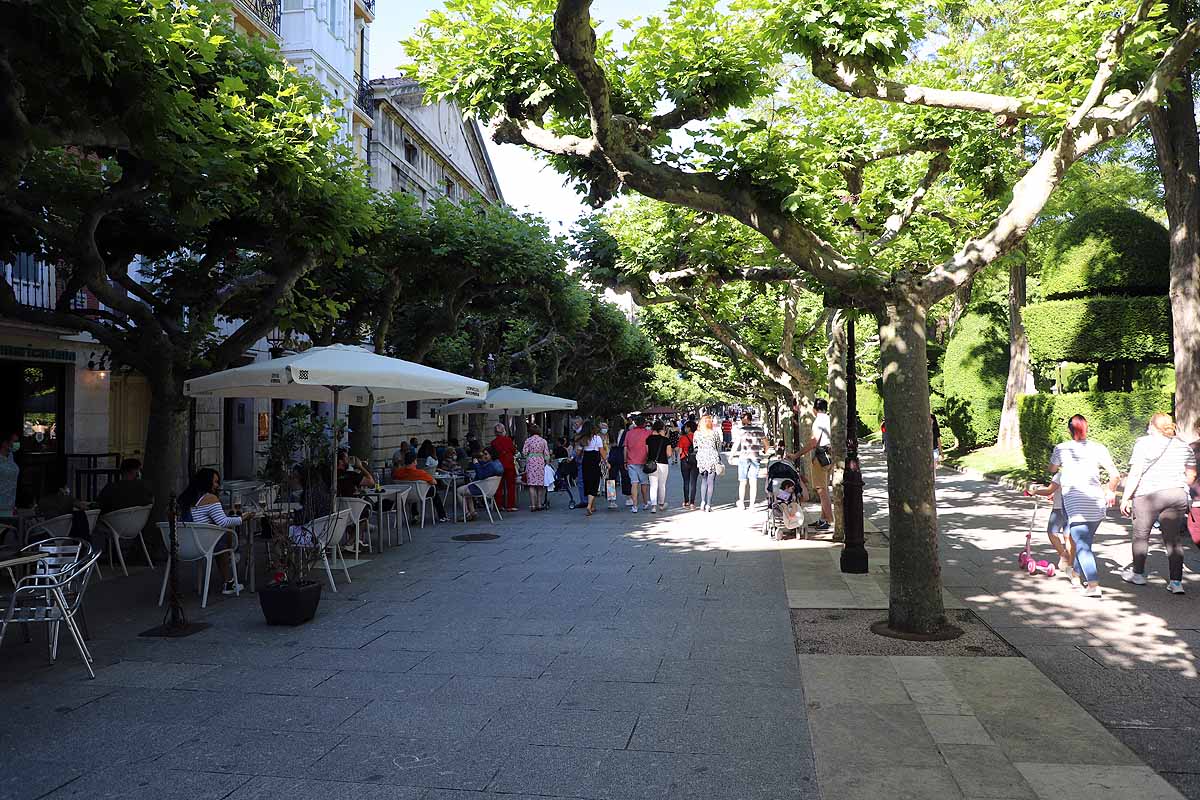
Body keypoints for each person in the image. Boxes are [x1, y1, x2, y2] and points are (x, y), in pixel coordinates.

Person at [1119, 413, 1197, 594]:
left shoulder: (1143, 443)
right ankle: (1176, 582)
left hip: (1148, 495)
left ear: (1152, 426)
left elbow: (1136, 472)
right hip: (1176, 494)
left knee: (1141, 535)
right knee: (1173, 539)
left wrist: (1125, 498)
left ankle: (1138, 574)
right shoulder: (1183, 446)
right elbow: (1191, 476)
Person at [1050, 414, 1121, 598]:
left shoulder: (1062, 448)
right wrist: (1110, 491)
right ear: (1086, 428)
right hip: (1096, 501)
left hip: (1075, 501)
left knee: (1081, 545)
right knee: (1085, 541)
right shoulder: (1099, 448)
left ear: (1069, 430)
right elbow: (1115, 475)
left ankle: (1093, 584)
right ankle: (1077, 573)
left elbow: (1052, 469)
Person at [179, 468, 250, 596]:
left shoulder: (185, 498)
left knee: (220, 536)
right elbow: (223, 522)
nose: (218, 486)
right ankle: (233, 557)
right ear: (207, 482)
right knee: (225, 533)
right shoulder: (210, 498)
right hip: (203, 545)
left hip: (183, 545)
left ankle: (230, 571)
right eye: (216, 482)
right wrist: (242, 518)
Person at [795, 399, 834, 531]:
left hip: (820, 457)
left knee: (821, 490)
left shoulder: (818, 421)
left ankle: (828, 519)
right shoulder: (829, 419)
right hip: (830, 457)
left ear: (814, 409)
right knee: (824, 489)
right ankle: (823, 519)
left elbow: (814, 442)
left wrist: (797, 455)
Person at [1029, 474, 1072, 574]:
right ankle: (1070, 563)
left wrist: (1035, 491)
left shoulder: (1060, 475)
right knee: (1068, 536)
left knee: (1052, 532)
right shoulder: (1077, 474)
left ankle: (1063, 555)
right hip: (1074, 508)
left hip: (1060, 508)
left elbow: (1049, 490)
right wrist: (1055, 493)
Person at [391, 451, 448, 522]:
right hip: (419, 494)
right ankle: (442, 516)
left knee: (412, 488)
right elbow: (434, 482)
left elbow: (394, 478)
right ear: (415, 461)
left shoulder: (398, 473)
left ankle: (415, 515)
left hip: (404, 495)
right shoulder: (420, 473)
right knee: (434, 491)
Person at [731, 411, 769, 511]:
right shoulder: (758, 429)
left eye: (742, 418)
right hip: (755, 457)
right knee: (753, 481)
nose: (741, 419)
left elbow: (736, 444)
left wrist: (731, 456)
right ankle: (752, 505)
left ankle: (742, 502)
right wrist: (765, 450)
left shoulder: (741, 430)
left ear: (746, 418)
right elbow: (766, 443)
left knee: (743, 481)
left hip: (743, 458)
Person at [458, 446, 504, 521]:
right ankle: (473, 512)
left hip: (482, 488)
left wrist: (476, 464)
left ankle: (466, 513)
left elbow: (481, 475)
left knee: (459, 491)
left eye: (486, 454)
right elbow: (486, 470)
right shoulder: (498, 463)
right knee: (467, 490)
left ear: (491, 455)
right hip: (490, 489)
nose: (484, 456)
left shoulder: (491, 465)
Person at [622, 416, 652, 513]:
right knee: (644, 483)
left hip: (631, 461)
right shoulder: (648, 433)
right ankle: (645, 502)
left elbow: (625, 448)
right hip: (644, 461)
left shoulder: (629, 433)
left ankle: (634, 506)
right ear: (644, 424)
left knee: (634, 484)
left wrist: (625, 461)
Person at [694, 415, 723, 512]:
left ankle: (702, 502)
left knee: (703, 480)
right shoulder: (714, 433)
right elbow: (718, 445)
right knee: (711, 482)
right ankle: (708, 504)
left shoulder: (697, 434)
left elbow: (695, 446)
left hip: (701, 458)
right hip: (712, 458)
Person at [643, 420, 673, 513]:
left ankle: (653, 507)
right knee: (662, 485)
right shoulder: (665, 440)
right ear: (662, 429)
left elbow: (647, 452)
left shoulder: (648, 439)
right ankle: (661, 504)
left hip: (652, 464)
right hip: (663, 464)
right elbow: (669, 454)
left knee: (653, 485)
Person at [577, 421, 607, 516]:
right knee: (594, 482)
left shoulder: (582, 439)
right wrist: (606, 461)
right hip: (595, 461)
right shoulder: (597, 438)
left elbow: (578, 452)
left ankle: (592, 506)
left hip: (586, 461)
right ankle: (589, 505)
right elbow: (602, 451)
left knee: (588, 482)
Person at [522, 423, 552, 512]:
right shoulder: (543, 441)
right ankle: (539, 504)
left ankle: (533, 505)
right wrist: (547, 463)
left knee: (532, 485)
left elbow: (524, 452)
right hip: (540, 461)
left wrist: (529, 455)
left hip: (531, 461)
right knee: (540, 485)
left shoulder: (528, 440)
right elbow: (546, 454)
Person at [489, 423, 519, 513]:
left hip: (498, 465)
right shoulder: (508, 440)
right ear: (503, 430)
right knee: (511, 486)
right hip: (509, 465)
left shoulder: (493, 442)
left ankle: (498, 505)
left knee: (498, 486)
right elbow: (513, 451)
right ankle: (510, 505)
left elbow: (493, 454)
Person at [0, 429, 20, 518]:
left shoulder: (10, 456)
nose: (17, 444)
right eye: (15, 441)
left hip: (10, 506)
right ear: (5, 443)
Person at [678, 421, 697, 510]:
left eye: (686, 427)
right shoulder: (697, 437)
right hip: (695, 459)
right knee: (693, 482)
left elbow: (680, 451)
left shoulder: (682, 438)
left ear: (689, 428)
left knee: (686, 481)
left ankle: (686, 501)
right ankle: (692, 503)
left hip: (685, 459)